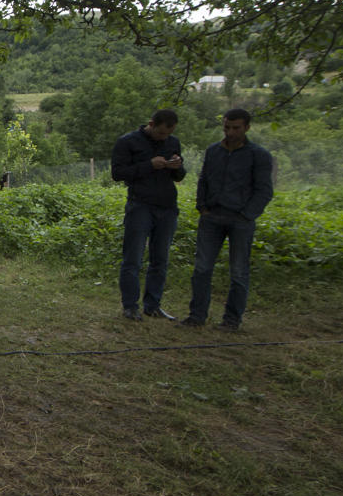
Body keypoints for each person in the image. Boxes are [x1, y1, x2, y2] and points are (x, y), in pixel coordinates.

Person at [185, 108, 275, 331]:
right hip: (212, 216)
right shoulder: (213, 151)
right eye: (227, 127)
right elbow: (203, 179)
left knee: (238, 271)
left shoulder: (259, 155)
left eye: (236, 128)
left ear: (246, 128)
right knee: (202, 268)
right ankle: (197, 316)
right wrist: (202, 206)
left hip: (240, 219)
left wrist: (247, 214)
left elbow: (264, 190)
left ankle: (232, 320)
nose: (230, 132)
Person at [111, 109, 187, 321]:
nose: (165, 138)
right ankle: (130, 306)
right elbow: (117, 173)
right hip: (140, 205)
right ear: (151, 124)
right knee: (133, 258)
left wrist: (177, 167)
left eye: (168, 134)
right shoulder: (128, 142)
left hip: (167, 206)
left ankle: (152, 305)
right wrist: (149, 165)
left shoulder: (173, 142)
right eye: (161, 133)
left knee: (160, 260)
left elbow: (179, 175)